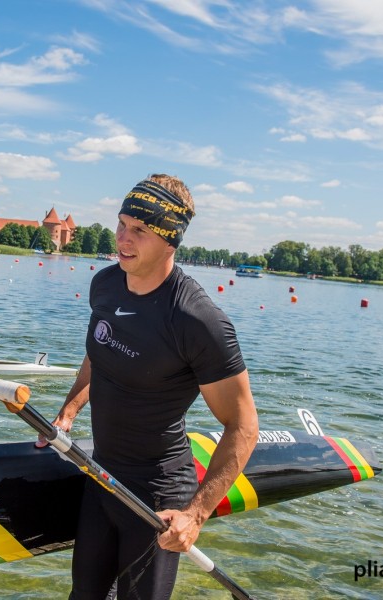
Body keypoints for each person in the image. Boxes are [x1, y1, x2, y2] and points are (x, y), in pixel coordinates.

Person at [37, 175, 259, 599]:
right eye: (122, 223)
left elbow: (243, 426)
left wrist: (195, 515)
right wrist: (67, 413)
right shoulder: (104, 283)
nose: (123, 237)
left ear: (170, 240)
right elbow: (97, 353)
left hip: (158, 495)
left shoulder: (197, 321)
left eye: (140, 230)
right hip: (101, 475)